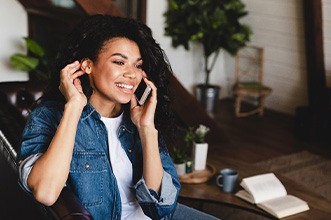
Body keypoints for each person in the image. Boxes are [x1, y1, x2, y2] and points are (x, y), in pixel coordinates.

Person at [17, 15, 219, 220]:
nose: (132, 74)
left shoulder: (137, 116)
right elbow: (45, 193)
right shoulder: (48, 115)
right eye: (119, 62)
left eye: (138, 65)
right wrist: (74, 107)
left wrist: (146, 128)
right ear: (87, 66)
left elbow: (161, 208)